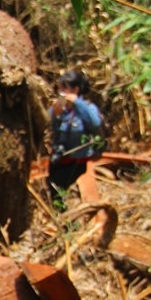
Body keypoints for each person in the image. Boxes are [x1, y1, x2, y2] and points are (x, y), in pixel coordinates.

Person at [48, 70, 103, 206]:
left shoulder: (87, 107)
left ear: (75, 89)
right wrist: (54, 113)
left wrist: (77, 102)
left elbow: (94, 122)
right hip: (60, 158)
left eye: (64, 89)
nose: (61, 92)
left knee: (57, 189)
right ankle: (62, 219)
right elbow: (48, 124)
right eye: (60, 89)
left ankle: (65, 221)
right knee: (53, 189)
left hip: (76, 160)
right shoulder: (62, 108)